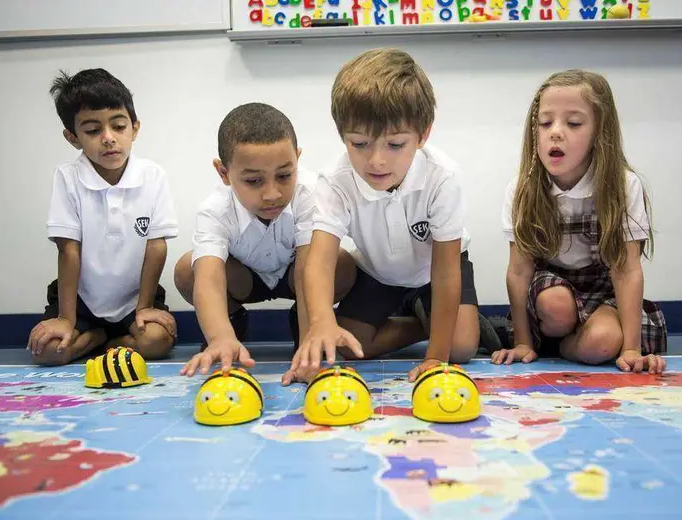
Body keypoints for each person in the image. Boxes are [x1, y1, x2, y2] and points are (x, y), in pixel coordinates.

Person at [284, 48, 502, 386]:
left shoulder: (442, 177)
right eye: (360, 144)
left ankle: (442, 319)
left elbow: (445, 271)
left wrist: (435, 358)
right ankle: (419, 320)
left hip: (435, 273)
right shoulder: (335, 181)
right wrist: (322, 321)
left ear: (423, 135)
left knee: (459, 349)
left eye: (395, 145)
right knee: (349, 346)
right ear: (342, 135)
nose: (376, 161)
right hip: (379, 274)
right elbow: (319, 261)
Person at [491, 69, 667, 373]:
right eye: (545, 123)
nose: (555, 132)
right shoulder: (523, 188)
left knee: (601, 342)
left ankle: (561, 347)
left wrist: (631, 348)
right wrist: (522, 341)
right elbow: (519, 272)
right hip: (551, 291)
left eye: (573, 123)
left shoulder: (623, 186)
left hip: (603, 291)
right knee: (555, 304)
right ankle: (545, 337)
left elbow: (626, 270)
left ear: (601, 131)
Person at [174, 102, 356, 377]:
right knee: (188, 270)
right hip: (245, 282)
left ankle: (302, 326)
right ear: (223, 173)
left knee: (342, 264)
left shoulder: (311, 192)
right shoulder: (214, 209)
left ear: (298, 158)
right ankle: (232, 325)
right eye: (254, 181)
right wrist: (219, 337)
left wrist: (310, 349)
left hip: (297, 276)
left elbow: (310, 267)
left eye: (284, 176)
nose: (272, 194)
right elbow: (209, 279)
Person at [28, 68, 179, 365]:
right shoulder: (68, 178)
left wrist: (145, 307)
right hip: (82, 301)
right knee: (47, 352)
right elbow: (68, 248)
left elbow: (156, 245)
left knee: (157, 342)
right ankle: (97, 335)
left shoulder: (152, 176)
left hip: (133, 298)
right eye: (93, 131)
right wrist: (66, 319)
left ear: (134, 128)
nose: (108, 138)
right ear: (73, 137)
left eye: (118, 126)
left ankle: (109, 338)